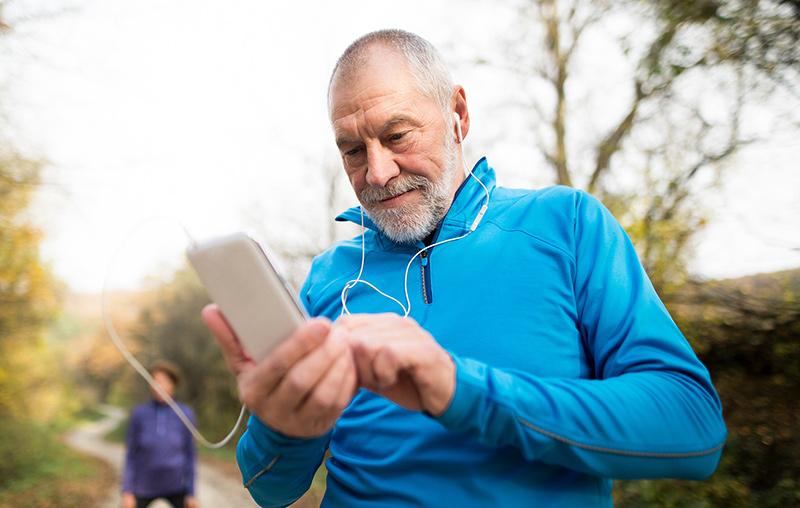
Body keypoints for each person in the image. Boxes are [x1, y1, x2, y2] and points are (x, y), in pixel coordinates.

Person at [201, 29, 727, 507]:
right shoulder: (327, 278)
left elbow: (692, 429)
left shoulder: (567, 224)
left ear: (458, 115)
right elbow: (271, 487)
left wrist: (460, 389)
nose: (377, 172)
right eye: (353, 150)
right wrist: (287, 427)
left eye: (398, 135)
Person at [122, 361, 198, 508]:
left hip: (176, 485)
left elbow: (190, 455)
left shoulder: (185, 414)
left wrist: (191, 493)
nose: (157, 387)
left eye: (162, 382)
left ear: (173, 384)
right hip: (143, 485)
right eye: (154, 382)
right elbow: (131, 454)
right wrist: (127, 491)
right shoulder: (139, 414)